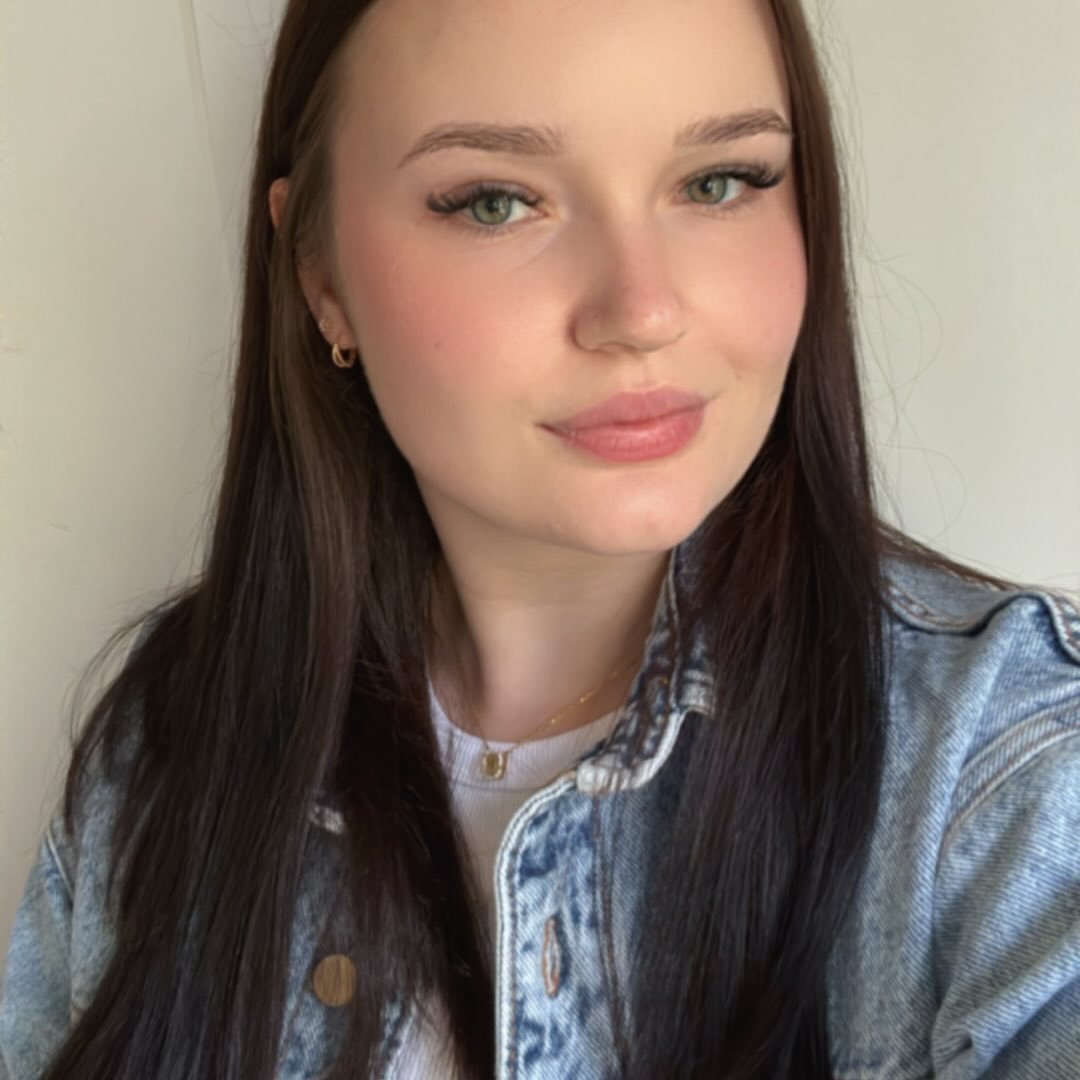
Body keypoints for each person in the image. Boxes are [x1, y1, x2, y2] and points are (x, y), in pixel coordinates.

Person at [2, 0, 1079, 1076]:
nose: (643, 310)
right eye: (498, 202)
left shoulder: (1006, 770)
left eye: (719, 181)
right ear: (320, 275)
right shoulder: (168, 748)